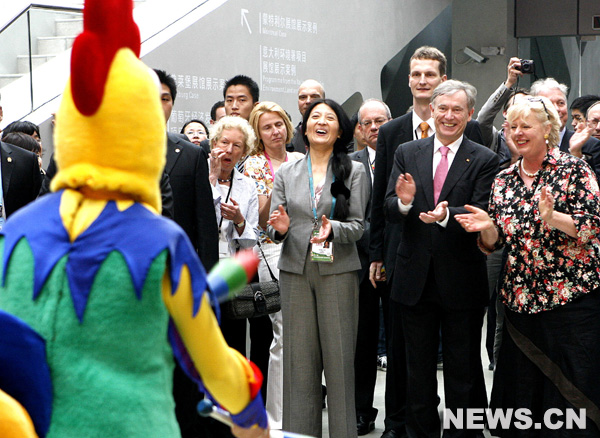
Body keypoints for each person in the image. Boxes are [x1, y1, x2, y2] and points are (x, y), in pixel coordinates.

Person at [0, 1, 267, 435]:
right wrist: (249, 410)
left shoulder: (15, 231)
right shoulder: (160, 241)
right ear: (146, 128)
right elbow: (214, 365)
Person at [456, 96, 600, 436]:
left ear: (547, 129)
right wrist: (486, 227)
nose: (518, 133)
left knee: (572, 396)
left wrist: (552, 217)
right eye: (512, 126)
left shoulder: (573, 169)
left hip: (571, 300)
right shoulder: (504, 178)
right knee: (523, 397)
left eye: (526, 126)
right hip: (520, 301)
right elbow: (497, 243)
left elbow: (591, 226)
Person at [369, 45, 484, 438]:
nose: (449, 116)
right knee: (416, 372)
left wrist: (448, 216)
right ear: (431, 111)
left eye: (457, 110)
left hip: (461, 280)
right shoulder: (406, 150)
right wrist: (402, 204)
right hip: (412, 277)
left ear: (469, 114)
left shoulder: (483, 157)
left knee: (462, 373)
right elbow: (385, 207)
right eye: (442, 109)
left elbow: (483, 212)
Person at [267, 98, 369, 438]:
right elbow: (274, 226)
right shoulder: (287, 171)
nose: (321, 122)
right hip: (295, 270)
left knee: (339, 363)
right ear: (305, 127)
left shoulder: (353, 171)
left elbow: (357, 226)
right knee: (299, 366)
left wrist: (333, 230)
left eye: (329, 118)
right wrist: (278, 228)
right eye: (314, 117)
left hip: (337, 270)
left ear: (340, 130)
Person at [155, 68, 220, 437]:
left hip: (179, 281)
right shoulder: (119, 149)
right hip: (132, 282)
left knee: (183, 368)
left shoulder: (190, 153)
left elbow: (204, 226)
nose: (158, 103)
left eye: (166, 97)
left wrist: (205, 281)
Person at [245, 101, 304, 429]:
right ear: (258, 133)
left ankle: (303, 408)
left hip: (307, 246)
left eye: (279, 124)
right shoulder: (253, 165)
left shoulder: (300, 159)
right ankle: (277, 417)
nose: (275, 131)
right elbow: (261, 219)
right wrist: (278, 183)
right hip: (272, 249)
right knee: (282, 333)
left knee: (305, 334)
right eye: (267, 127)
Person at [208, 115, 265, 399]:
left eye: (237, 146)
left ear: (244, 152)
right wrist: (210, 179)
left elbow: (250, 240)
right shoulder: (199, 176)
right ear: (213, 143)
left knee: (232, 344)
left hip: (230, 273)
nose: (228, 150)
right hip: (200, 270)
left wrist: (241, 220)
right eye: (224, 142)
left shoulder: (247, 186)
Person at [350, 99, 391, 436]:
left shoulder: (406, 157)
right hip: (360, 266)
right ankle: (361, 410)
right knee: (362, 344)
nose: (375, 127)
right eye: (368, 122)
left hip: (400, 264)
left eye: (382, 121)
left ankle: (400, 413)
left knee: (402, 343)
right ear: (359, 130)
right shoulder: (348, 165)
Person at [530, 77, 600, 179]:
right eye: (549, 104)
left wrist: (576, 155)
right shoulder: (525, 143)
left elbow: (595, 188)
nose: (557, 109)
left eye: (561, 103)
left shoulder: (590, 145)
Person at [290, 79, 325, 153]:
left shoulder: (336, 136)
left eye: (314, 97)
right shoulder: (289, 139)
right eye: (303, 97)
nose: (308, 101)